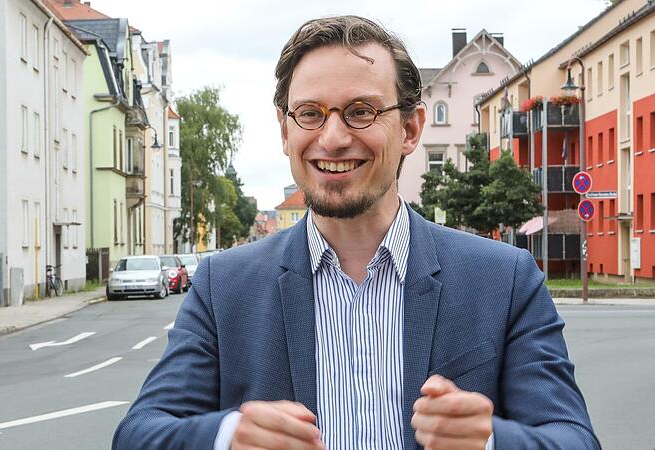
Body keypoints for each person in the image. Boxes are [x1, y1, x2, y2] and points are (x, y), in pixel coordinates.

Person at [114, 15, 599, 450]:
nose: (333, 138)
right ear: (285, 130)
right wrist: (227, 437)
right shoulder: (225, 285)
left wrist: (490, 440)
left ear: (410, 129)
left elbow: (573, 438)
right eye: (309, 114)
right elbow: (140, 433)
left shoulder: (504, 279)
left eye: (361, 111)